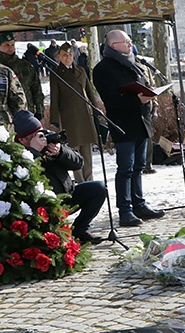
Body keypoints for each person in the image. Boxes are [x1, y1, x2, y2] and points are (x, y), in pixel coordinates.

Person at [92, 30, 166, 227]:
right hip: (123, 124)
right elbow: (111, 99)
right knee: (125, 168)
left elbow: (141, 85)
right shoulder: (103, 69)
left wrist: (149, 95)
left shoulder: (133, 64)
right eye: (125, 42)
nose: (129, 44)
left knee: (139, 166)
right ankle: (125, 210)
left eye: (129, 41)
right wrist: (137, 99)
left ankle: (139, 204)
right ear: (113, 45)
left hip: (141, 121)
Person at [12, 110, 107, 244]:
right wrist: (33, 152)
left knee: (98, 189)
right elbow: (24, 174)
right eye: (35, 136)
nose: (41, 138)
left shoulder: (49, 141)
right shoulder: (17, 154)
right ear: (22, 139)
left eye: (41, 132)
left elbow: (78, 163)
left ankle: (80, 229)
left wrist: (60, 152)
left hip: (67, 194)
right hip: (44, 205)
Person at [49, 43, 103, 183]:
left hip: (85, 114)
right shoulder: (56, 73)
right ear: (59, 57)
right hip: (69, 116)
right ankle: (80, 181)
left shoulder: (80, 70)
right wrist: (54, 118)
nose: (68, 58)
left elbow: (89, 91)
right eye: (65, 55)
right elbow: (54, 97)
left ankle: (89, 178)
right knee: (74, 151)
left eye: (70, 55)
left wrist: (96, 109)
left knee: (87, 150)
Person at [0, 32, 45, 120]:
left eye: (12, 44)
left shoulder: (25, 66)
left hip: (27, 114)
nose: (10, 48)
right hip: (4, 118)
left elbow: (36, 89)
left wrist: (39, 110)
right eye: (7, 45)